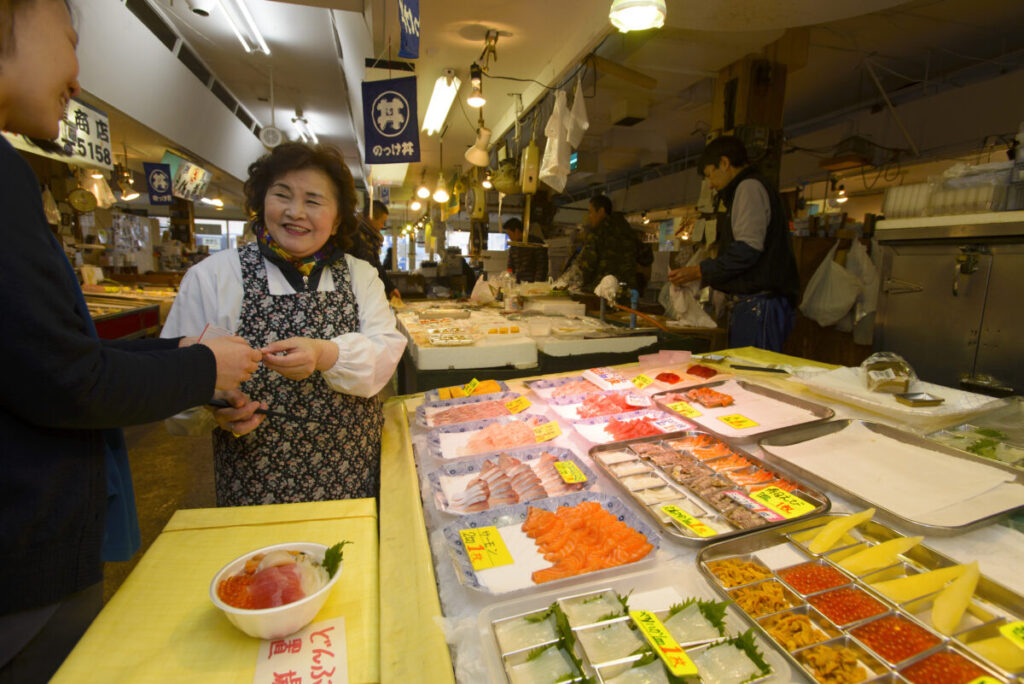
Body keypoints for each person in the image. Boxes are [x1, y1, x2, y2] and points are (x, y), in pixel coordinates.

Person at [0, 2, 261, 680]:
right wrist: (204, 367)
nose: (77, 77)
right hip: (20, 554)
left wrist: (178, 358)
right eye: (69, 40)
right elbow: (67, 380)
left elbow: (46, 358)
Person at [161, 142, 407, 507]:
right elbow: (171, 388)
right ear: (262, 203)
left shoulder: (361, 276)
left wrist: (326, 353)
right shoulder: (213, 277)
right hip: (255, 477)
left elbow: (385, 354)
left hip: (353, 470)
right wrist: (215, 407)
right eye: (282, 195)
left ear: (337, 217)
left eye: (313, 200)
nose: (296, 212)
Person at [668, 136, 800, 351]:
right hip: (754, 304)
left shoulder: (749, 188)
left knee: (755, 374)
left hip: (761, 305)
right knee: (745, 373)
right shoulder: (745, 189)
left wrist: (700, 271)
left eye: (710, 175)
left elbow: (747, 250)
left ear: (725, 163)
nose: (711, 184)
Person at [576, 194, 642, 292]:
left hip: (602, 291)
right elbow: (647, 258)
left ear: (601, 211)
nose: (590, 216)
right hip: (627, 292)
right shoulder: (629, 232)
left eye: (591, 212)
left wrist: (575, 283)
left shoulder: (597, 233)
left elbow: (586, 267)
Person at [351, 199, 400, 299]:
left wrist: (390, 288)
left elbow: (376, 265)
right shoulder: (354, 235)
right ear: (371, 218)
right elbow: (369, 267)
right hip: (357, 295)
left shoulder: (369, 237)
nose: (382, 226)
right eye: (382, 222)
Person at [502, 217, 548, 282]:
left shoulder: (536, 243)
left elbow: (542, 267)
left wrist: (537, 285)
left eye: (510, 234)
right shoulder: (514, 247)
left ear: (517, 231)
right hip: (519, 285)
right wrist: (509, 276)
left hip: (534, 285)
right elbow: (510, 266)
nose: (509, 237)